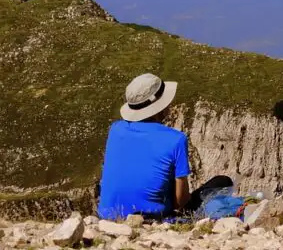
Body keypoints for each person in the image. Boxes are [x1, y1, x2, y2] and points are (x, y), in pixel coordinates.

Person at [97, 73, 232, 220]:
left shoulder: (115, 129)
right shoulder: (176, 139)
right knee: (223, 181)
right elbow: (181, 201)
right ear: (159, 108)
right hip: (153, 218)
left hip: (107, 216)